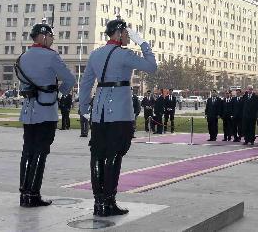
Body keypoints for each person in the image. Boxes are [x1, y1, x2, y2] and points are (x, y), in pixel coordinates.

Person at [78, 16, 157, 217]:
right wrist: (144, 43)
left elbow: (86, 83)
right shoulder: (124, 54)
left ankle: (98, 202)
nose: (128, 38)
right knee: (114, 155)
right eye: (127, 34)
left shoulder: (95, 54)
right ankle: (108, 201)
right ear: (120, 33)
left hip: (99, 113)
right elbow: (151, 66)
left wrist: (85, 107)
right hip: (120, 112)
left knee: (97, 155)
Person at [16, 23, 76, 208]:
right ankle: (33, 194)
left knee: (27, 152)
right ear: (43, 37)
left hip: (28, 111)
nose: (52, 40)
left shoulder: (22, 57)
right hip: (46, 109)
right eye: (51, 37)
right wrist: (60, 92)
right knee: (41, 152)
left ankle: (24, 192)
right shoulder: (51, 56)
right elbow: (70, 79)